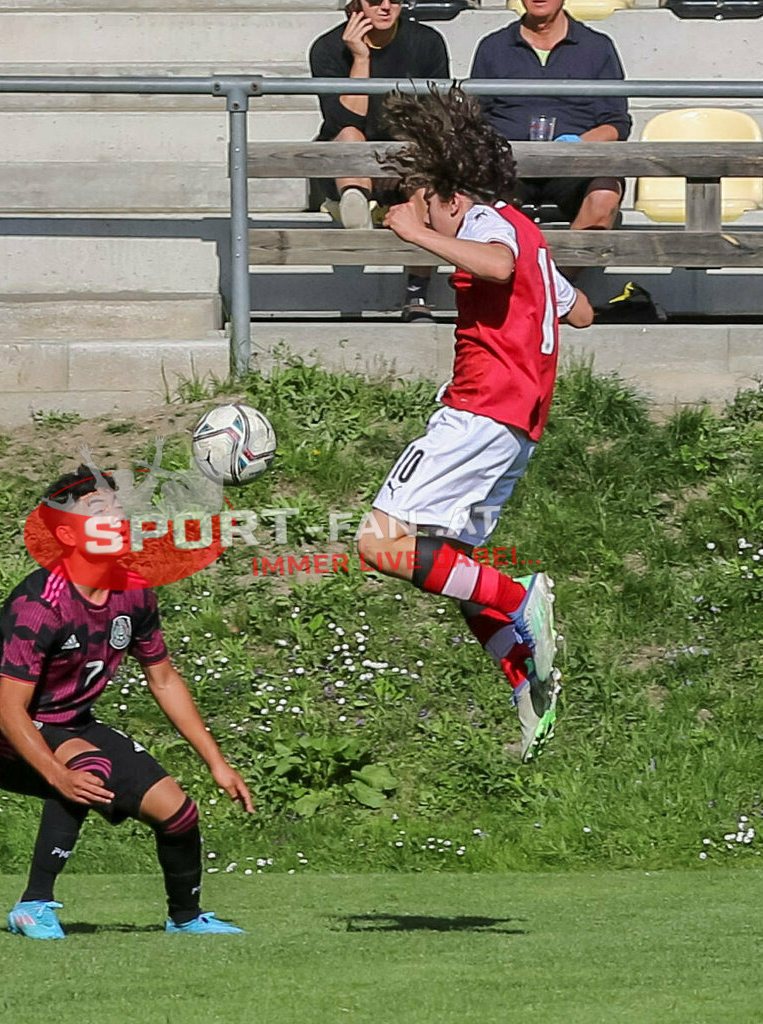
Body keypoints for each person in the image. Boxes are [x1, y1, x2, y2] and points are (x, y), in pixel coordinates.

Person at [356, 85, 594, 760]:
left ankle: (522, 600)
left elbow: (500, 264)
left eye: (426, 200)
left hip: (481, 413)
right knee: (445, 563)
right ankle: (526, 677)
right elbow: (580, 314)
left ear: (449, 194)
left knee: (381, 544)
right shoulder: (525, 232)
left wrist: (417, 234)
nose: (420, 212)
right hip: (514, 425)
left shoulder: (489, 225)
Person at [0, 466, 255, 939]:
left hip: (73, 724)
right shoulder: (40, 604)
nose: (118, 519)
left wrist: (216, 763)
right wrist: (58, 774)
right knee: (86, 771)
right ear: (66, 533)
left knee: (178, 812)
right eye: (99, 511)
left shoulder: (134, 591)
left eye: (118, 508)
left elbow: (162, 680)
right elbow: (9, 711)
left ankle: (186, 919)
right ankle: (33, 905)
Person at [309, 0, 451, 321]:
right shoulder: (328, 48)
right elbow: (343, 119)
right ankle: (356, 201)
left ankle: (416, 293)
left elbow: (437, 119)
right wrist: (360, 57)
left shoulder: (427, 42)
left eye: (395, 0)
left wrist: (396, 158)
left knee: (426, 188)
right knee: (348, 134)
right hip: (349, 162)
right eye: (375, 0)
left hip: (411, 154)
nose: (386, 7)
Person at [469, 0, 632, 234]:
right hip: (507, 163)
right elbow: (476, 118)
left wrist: (576, 144)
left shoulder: (597, 46)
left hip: (576, 164)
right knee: (472, 191)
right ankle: (507, 265)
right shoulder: (493, 46)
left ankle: (558, 271)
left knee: (604, 193)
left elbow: (616, 123)